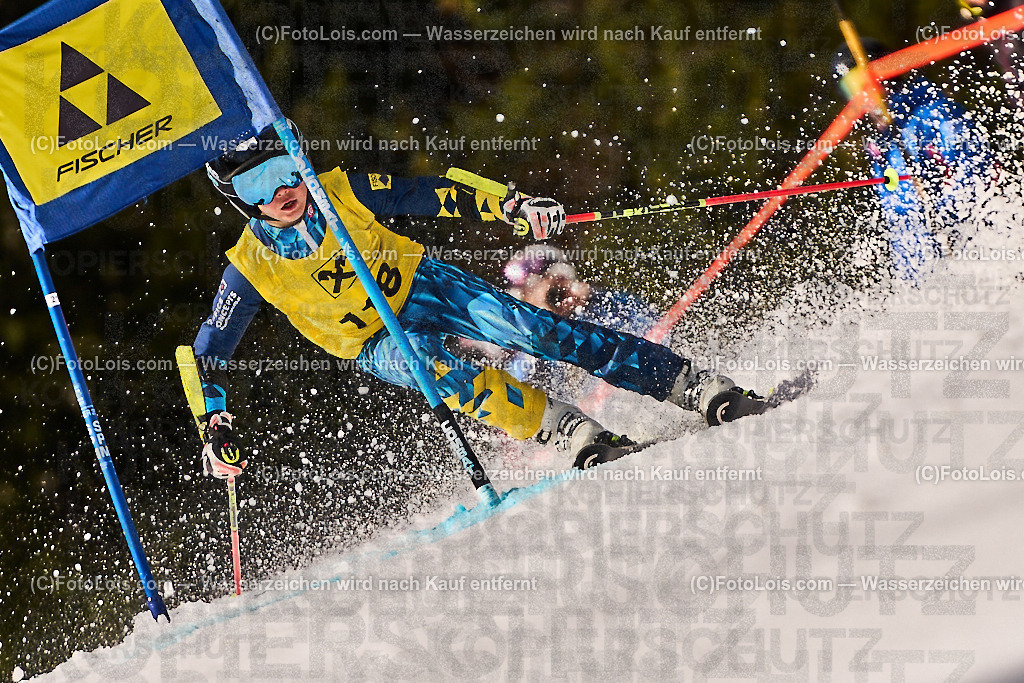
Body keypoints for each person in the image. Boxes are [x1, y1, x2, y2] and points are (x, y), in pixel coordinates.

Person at [191, 120, 766, 477]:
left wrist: (511, 206)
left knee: (536, 330)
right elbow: (210, 350)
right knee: (445, 378)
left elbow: (431, 193)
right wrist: (212, 422)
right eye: (255, 185)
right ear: (237, 199)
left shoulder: (338, 190)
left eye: (284, 170)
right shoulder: (249, 265)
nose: (282, 192)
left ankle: (691, 384)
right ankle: (568, 430)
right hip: (373, 339)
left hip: (423, 285)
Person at [833, 40, 995, 282]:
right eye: (851, 89)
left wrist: (946, 218)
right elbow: (897, 215)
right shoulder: (879, 144)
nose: (861, 97)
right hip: (924, 276)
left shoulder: (935, 114)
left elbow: (978, 171)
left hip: (967, 253)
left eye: (863, 84)